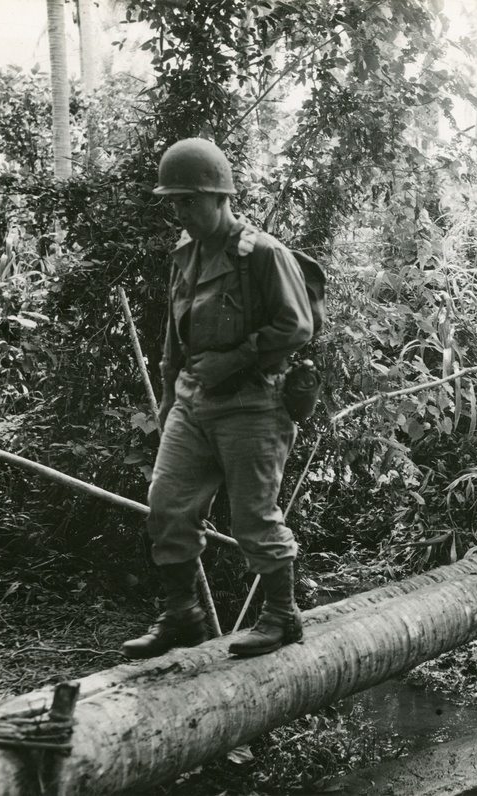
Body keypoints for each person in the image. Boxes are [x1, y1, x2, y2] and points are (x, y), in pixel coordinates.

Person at [122, 138, 315, 660]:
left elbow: (297, 326)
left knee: (253, 517)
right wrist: (168, 397)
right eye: (175, 202)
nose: (181, 212)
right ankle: (182, 612)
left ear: (219, 197)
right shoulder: (185, 256)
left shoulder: (263, 254)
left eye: (189, 201)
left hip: (254, 405)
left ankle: (281, 615)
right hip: (191, 404)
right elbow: (172, 338)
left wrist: (238, 357)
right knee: (166, 506)